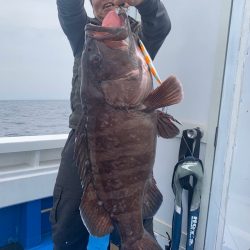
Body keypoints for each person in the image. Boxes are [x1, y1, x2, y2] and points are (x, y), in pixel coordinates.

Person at [50, 0, 171, 249]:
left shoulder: (138, 41)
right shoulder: (84, 35)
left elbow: (160, 24)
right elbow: (68, 9)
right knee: (66, 226)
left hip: (130, 145)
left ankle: (133, 238)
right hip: (82, 144)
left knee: (137, 219)